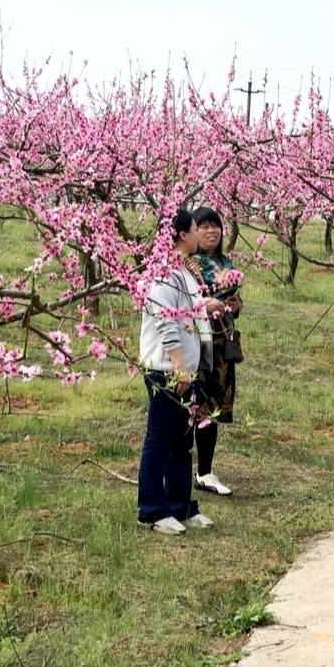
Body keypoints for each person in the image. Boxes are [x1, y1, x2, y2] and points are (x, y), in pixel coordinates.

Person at [136, 209, 215, 535]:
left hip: (186, 372)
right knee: (160, 439)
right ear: (183, 234)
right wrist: (180, 368)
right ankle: (152, 511)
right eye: (196, 228)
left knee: (182, 442)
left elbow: (185, 312)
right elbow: (165, 322)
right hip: (167, 371)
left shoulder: (184, 272)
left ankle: (180, 505)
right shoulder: (163, 274)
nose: (199, 234)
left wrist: (205, 307)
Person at [186, 206, 243, 497]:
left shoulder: (225, 261)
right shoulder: (188, 263)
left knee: (214, 408)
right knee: (196, 405)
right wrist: (204, 305)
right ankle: (187, 469)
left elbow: (235, 301)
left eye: (215, 226)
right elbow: (182, 302)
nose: (211, 231)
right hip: (198, 343)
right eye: (204, 226)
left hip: (223, 344)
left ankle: (205, 471)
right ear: (193, 231)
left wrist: (235, 304)